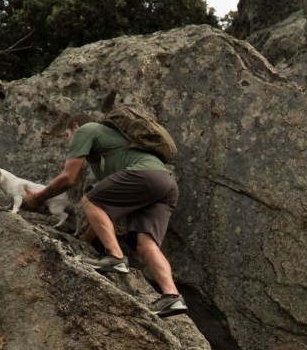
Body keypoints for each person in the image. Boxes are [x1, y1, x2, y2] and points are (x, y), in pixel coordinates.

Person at [21, 113, 187, 318]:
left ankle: (115, 257)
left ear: (75, 127)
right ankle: (172, 296)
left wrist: (37, 198)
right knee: (145, 244)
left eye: (67, 135)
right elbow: (103, 213)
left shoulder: (86, 129)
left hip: (145, 175)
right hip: (165, 184)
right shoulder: (107, 157)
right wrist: (85, 240)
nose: (69, 141)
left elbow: (68, 178)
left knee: (89, 200)